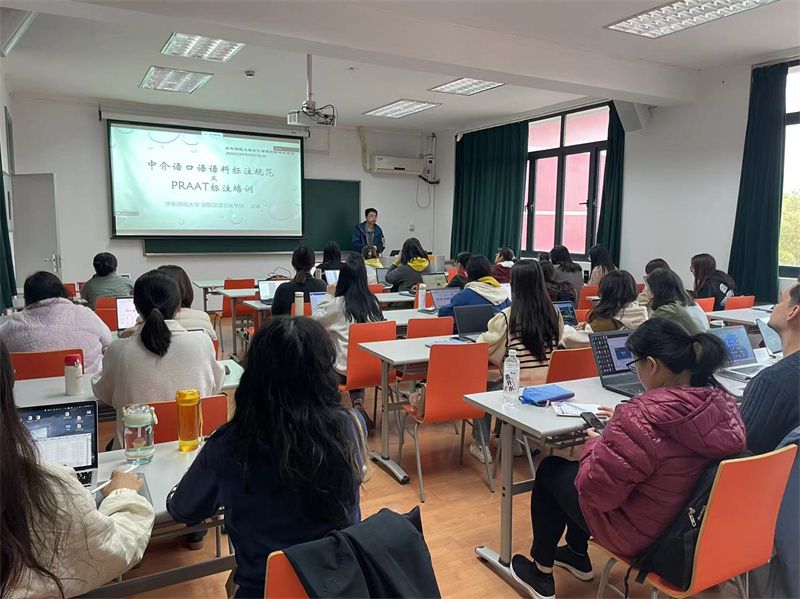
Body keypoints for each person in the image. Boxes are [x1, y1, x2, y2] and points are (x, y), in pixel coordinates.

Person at [510, 319, 746, 599]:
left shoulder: (640, 417)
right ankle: (575, 553)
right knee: (577, 470)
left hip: (644, 536)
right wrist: (622, 429)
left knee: (552, 470)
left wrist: (595, 442)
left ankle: (541, 573)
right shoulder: (722, 407)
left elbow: (595, 493)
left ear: (652, 365)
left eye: (635, 364)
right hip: (691, 530)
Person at [167, 317, 366, 598]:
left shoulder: (229, 444)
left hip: (263, 590)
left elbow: (184, 509)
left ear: (253, 375)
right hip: (340, 586)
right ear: (324, 372)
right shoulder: (351, 426)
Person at [0, 340, 154, 598]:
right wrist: (123, 495)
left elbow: (101, 390)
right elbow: (113, 548)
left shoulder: (122, 349)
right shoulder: (48, 490)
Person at [93, 270, 225, 449]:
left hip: (136, 451)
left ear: (136, 307)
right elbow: (215, 386)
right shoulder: (202, 342)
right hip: (191, 447)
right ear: (179, 307)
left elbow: (104, 394)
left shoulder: (118, 349)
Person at [474, 261, 564, 463]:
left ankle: (481, 444)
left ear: (514, 286)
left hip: (518, 391)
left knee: (483, 391)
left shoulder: (507, 317)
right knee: (503, 381)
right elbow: (558, 341)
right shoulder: (555, 314)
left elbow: (485, 348)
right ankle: (510, 437)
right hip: (549, 388)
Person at [312, 255, 384, 423]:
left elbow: (315, 320)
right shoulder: (373, 303)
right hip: (373, 369)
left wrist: (328, 295)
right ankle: (357, 402)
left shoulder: (338, 304)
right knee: (355, 357)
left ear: (342, 280)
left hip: (344, 373)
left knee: (322, 362)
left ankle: (332, 408)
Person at [0, 271, 112, 373]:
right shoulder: (85, 313)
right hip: (85, 384)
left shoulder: (13, 324)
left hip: (30, 387)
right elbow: (108, 340)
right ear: (62, 292)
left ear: (27, 298)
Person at [739, 283, 800, 455]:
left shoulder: (772, 382)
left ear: (793, 312)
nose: (774, 307)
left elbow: (739, 450)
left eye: (780, 301)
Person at [438, 255, 511, 319]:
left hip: (472, 330)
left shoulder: (465, 295)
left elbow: (443, 313)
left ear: (468, 273)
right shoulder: (504, 295)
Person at [646, 268, 709, 335]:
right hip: (705, 340)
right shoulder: (692, 304)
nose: (646, 292)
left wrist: (649, 305)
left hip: (693, 341)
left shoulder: (668, 310)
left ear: (657, 290)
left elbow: (647, 332)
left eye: (649, 289)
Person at [271, 247, 327, 316]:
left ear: (293, 263)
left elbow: (275, 316)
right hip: (314, 323)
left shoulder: (283, 289)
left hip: (290, 323)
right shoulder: (322, 285)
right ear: (313, 264)